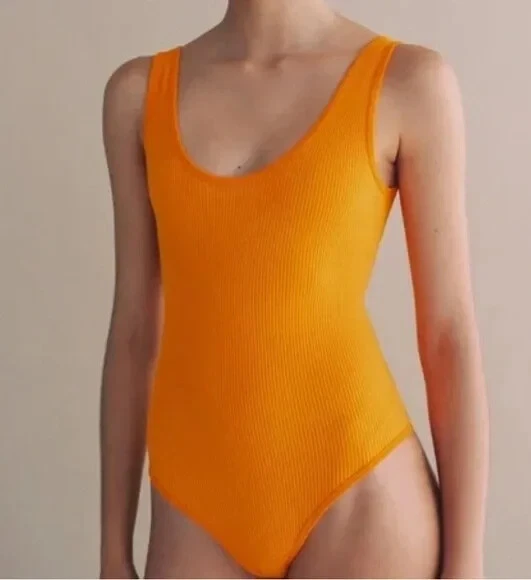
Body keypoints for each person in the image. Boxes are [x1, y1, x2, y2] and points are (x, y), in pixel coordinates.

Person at [99, 0, 489, 577]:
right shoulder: (137, 95)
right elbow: (134, 330)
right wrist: (112, 550)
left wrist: (467, 563)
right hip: (193, 507)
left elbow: (448, 335)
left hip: (359, 491)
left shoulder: (408, 82)